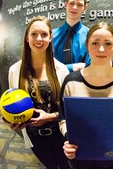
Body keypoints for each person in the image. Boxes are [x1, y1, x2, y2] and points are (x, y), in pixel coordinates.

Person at [59, 22, 113, 169]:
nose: (101, 49)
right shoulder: (71, 81)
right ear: (87, 46)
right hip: (81, 158)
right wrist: (68, 139)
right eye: (95, 43)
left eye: (108, 43)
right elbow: (63, 117)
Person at [8, 16, 70, 168]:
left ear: (50, 38)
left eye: (44, 34)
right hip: (34, 138)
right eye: (34, 34)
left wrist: (49, 117)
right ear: (27, 38)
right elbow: (13, 103)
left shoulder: (61, 70)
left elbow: (70, 110)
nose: (39, 39)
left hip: (60, 134)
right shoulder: (15, 70)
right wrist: (13, 120)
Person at [53, 0, 91, 73]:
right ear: (65, 4)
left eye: (79, 5)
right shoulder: (50, 35)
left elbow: (91, 67)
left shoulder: (91, 36)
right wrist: (75, 67)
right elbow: (46, 66)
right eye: (71, 3)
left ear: (84, 8)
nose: (74, 7)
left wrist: (59, 69)